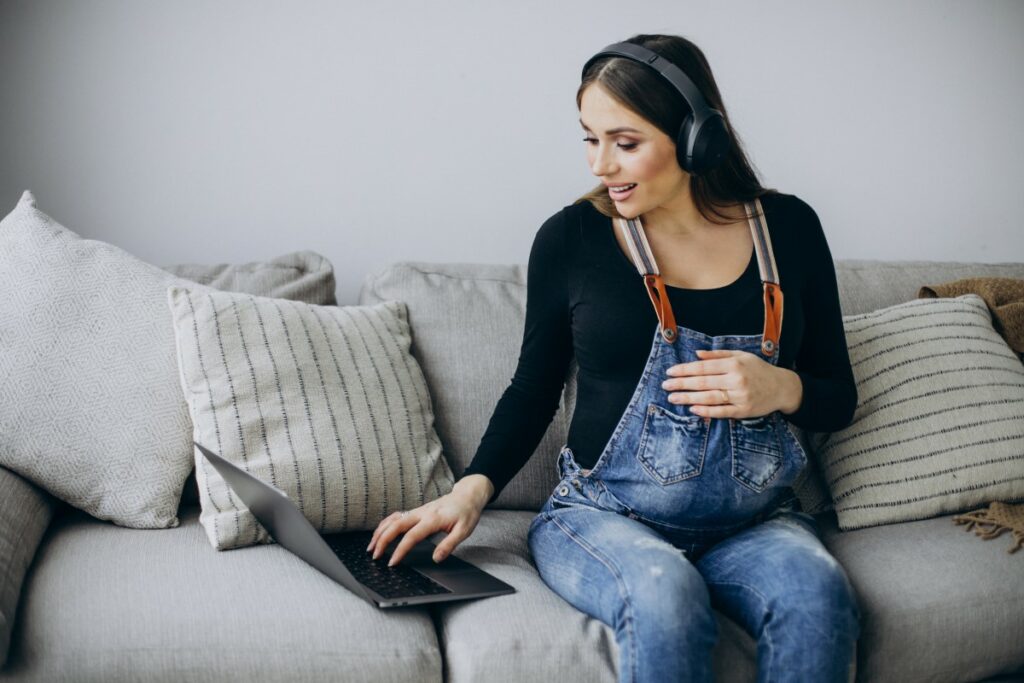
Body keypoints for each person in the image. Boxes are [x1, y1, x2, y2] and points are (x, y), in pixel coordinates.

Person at [367, 33, 861, 682]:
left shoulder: (789, 230)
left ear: (695, 140)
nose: (600, 165)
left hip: (757, 522)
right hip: (603, 518)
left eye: (624, 143)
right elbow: (532, 388)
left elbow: (838, 396)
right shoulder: (571, 239)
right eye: (589, 138)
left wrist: (783, 389)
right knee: (665, 593)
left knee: (819, 594)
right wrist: (470, 490)